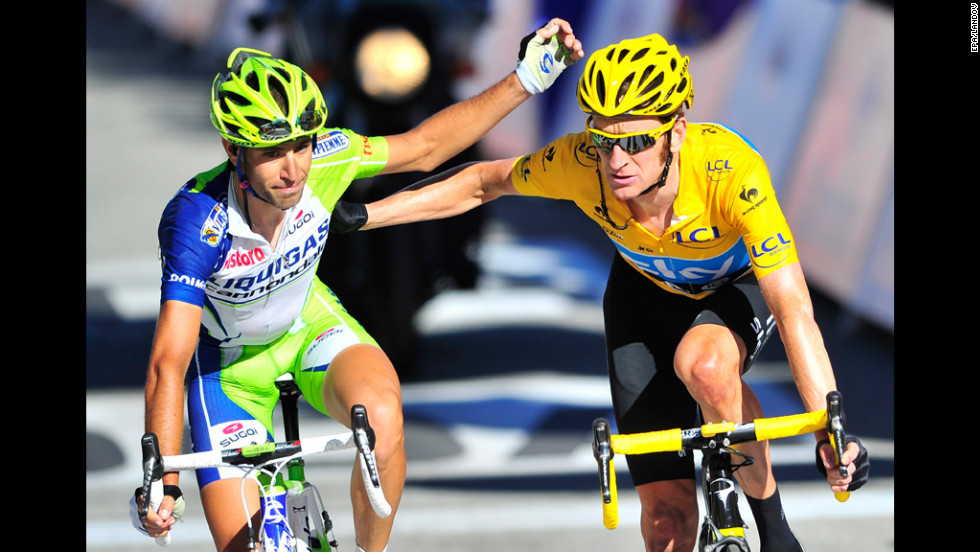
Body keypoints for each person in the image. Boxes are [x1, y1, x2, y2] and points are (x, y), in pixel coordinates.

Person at [329, 33, 871, 552]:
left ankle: (771, 523)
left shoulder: (733, 175)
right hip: (644, 296)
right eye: (604, 140)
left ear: (676, 133)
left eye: (636, 142)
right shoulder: (581, 164)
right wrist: (362, 216)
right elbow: (481, 182)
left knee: (705, 365)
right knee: (666, 525)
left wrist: (830, 428)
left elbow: (794, 308)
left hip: (733, 286)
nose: (617, 162)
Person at [129, 20, 584, 552]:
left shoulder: (329, 157)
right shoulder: (195, 222)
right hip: (229, 369)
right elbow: (168, 361)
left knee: (383, 422)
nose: (293, 168)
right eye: (272, 152)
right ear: (235, 152)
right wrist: (161, 483)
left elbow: (426, 147)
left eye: (301, 146)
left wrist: (525, 78)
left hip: (306, 325)